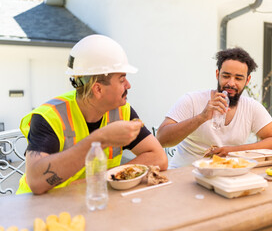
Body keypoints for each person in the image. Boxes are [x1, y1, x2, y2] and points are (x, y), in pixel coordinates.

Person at [17, 34, 168, 194]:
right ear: (98, 89)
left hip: (90, 200)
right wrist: (101, 139)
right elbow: (36, 181)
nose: (128, 85)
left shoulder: (122, 110)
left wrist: (103, 177)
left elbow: (159, 158)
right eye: (122, 79)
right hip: (37, 209)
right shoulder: (49, 116)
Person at [156, 47, 272, 168]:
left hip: (228, 175)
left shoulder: (251, 107)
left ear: (247, 81)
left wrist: (231, 151)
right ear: (217, 74)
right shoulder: (192, 100)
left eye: (238, 78)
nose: (231, 83)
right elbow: (161, 139)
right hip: (184, 176)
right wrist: (201, 117)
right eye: (226, 76)